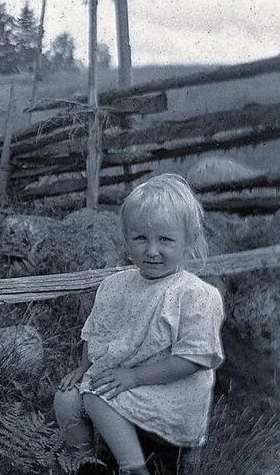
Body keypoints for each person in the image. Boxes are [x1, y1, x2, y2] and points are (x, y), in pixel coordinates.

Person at [53, 174, 225, 475]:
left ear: (189, 241)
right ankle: (90, 463)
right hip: (126, 382)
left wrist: (133, 377)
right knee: (66, 400)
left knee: (96, 394)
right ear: (126, 238)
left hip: (172, 393)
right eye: (140, 238)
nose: (152, 250)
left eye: (165, 240)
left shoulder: (194, 294)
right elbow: (95, 332)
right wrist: (83, 368)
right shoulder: (115, 285)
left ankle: (133, 467)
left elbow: (195, 359)